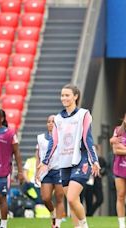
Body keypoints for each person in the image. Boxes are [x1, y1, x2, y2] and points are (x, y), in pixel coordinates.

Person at [38, 84, 101, 228]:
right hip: (64, 163)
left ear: (75, 97)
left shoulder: (84, 114)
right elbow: (54, 141)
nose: (64, 98)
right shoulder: (58, 118)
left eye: (67, 95)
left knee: (72, 198)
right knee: (72, 201)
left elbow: (87, 138)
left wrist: (94, 160)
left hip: (81, 160)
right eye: (62, 95)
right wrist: (45, 161)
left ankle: (84, 225)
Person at [35, 115, 64, 228]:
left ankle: (58, 224)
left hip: (59, 170)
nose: (51, 123)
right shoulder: (41, 138)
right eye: (49, 122)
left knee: (59, 198)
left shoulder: (63, 137)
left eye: (53, 121)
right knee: (46, 198)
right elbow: (38, 155)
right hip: (46, 171)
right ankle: (53, 214)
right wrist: (36, 171)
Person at [83, 144, 107, 216]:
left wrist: (100, 173)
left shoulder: (101, 160)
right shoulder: (85, 160)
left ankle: (89, 214)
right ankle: (89, 215)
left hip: (96, 183)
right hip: (87, 182)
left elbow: (105, 169)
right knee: (88, 201)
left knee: (100, 199)